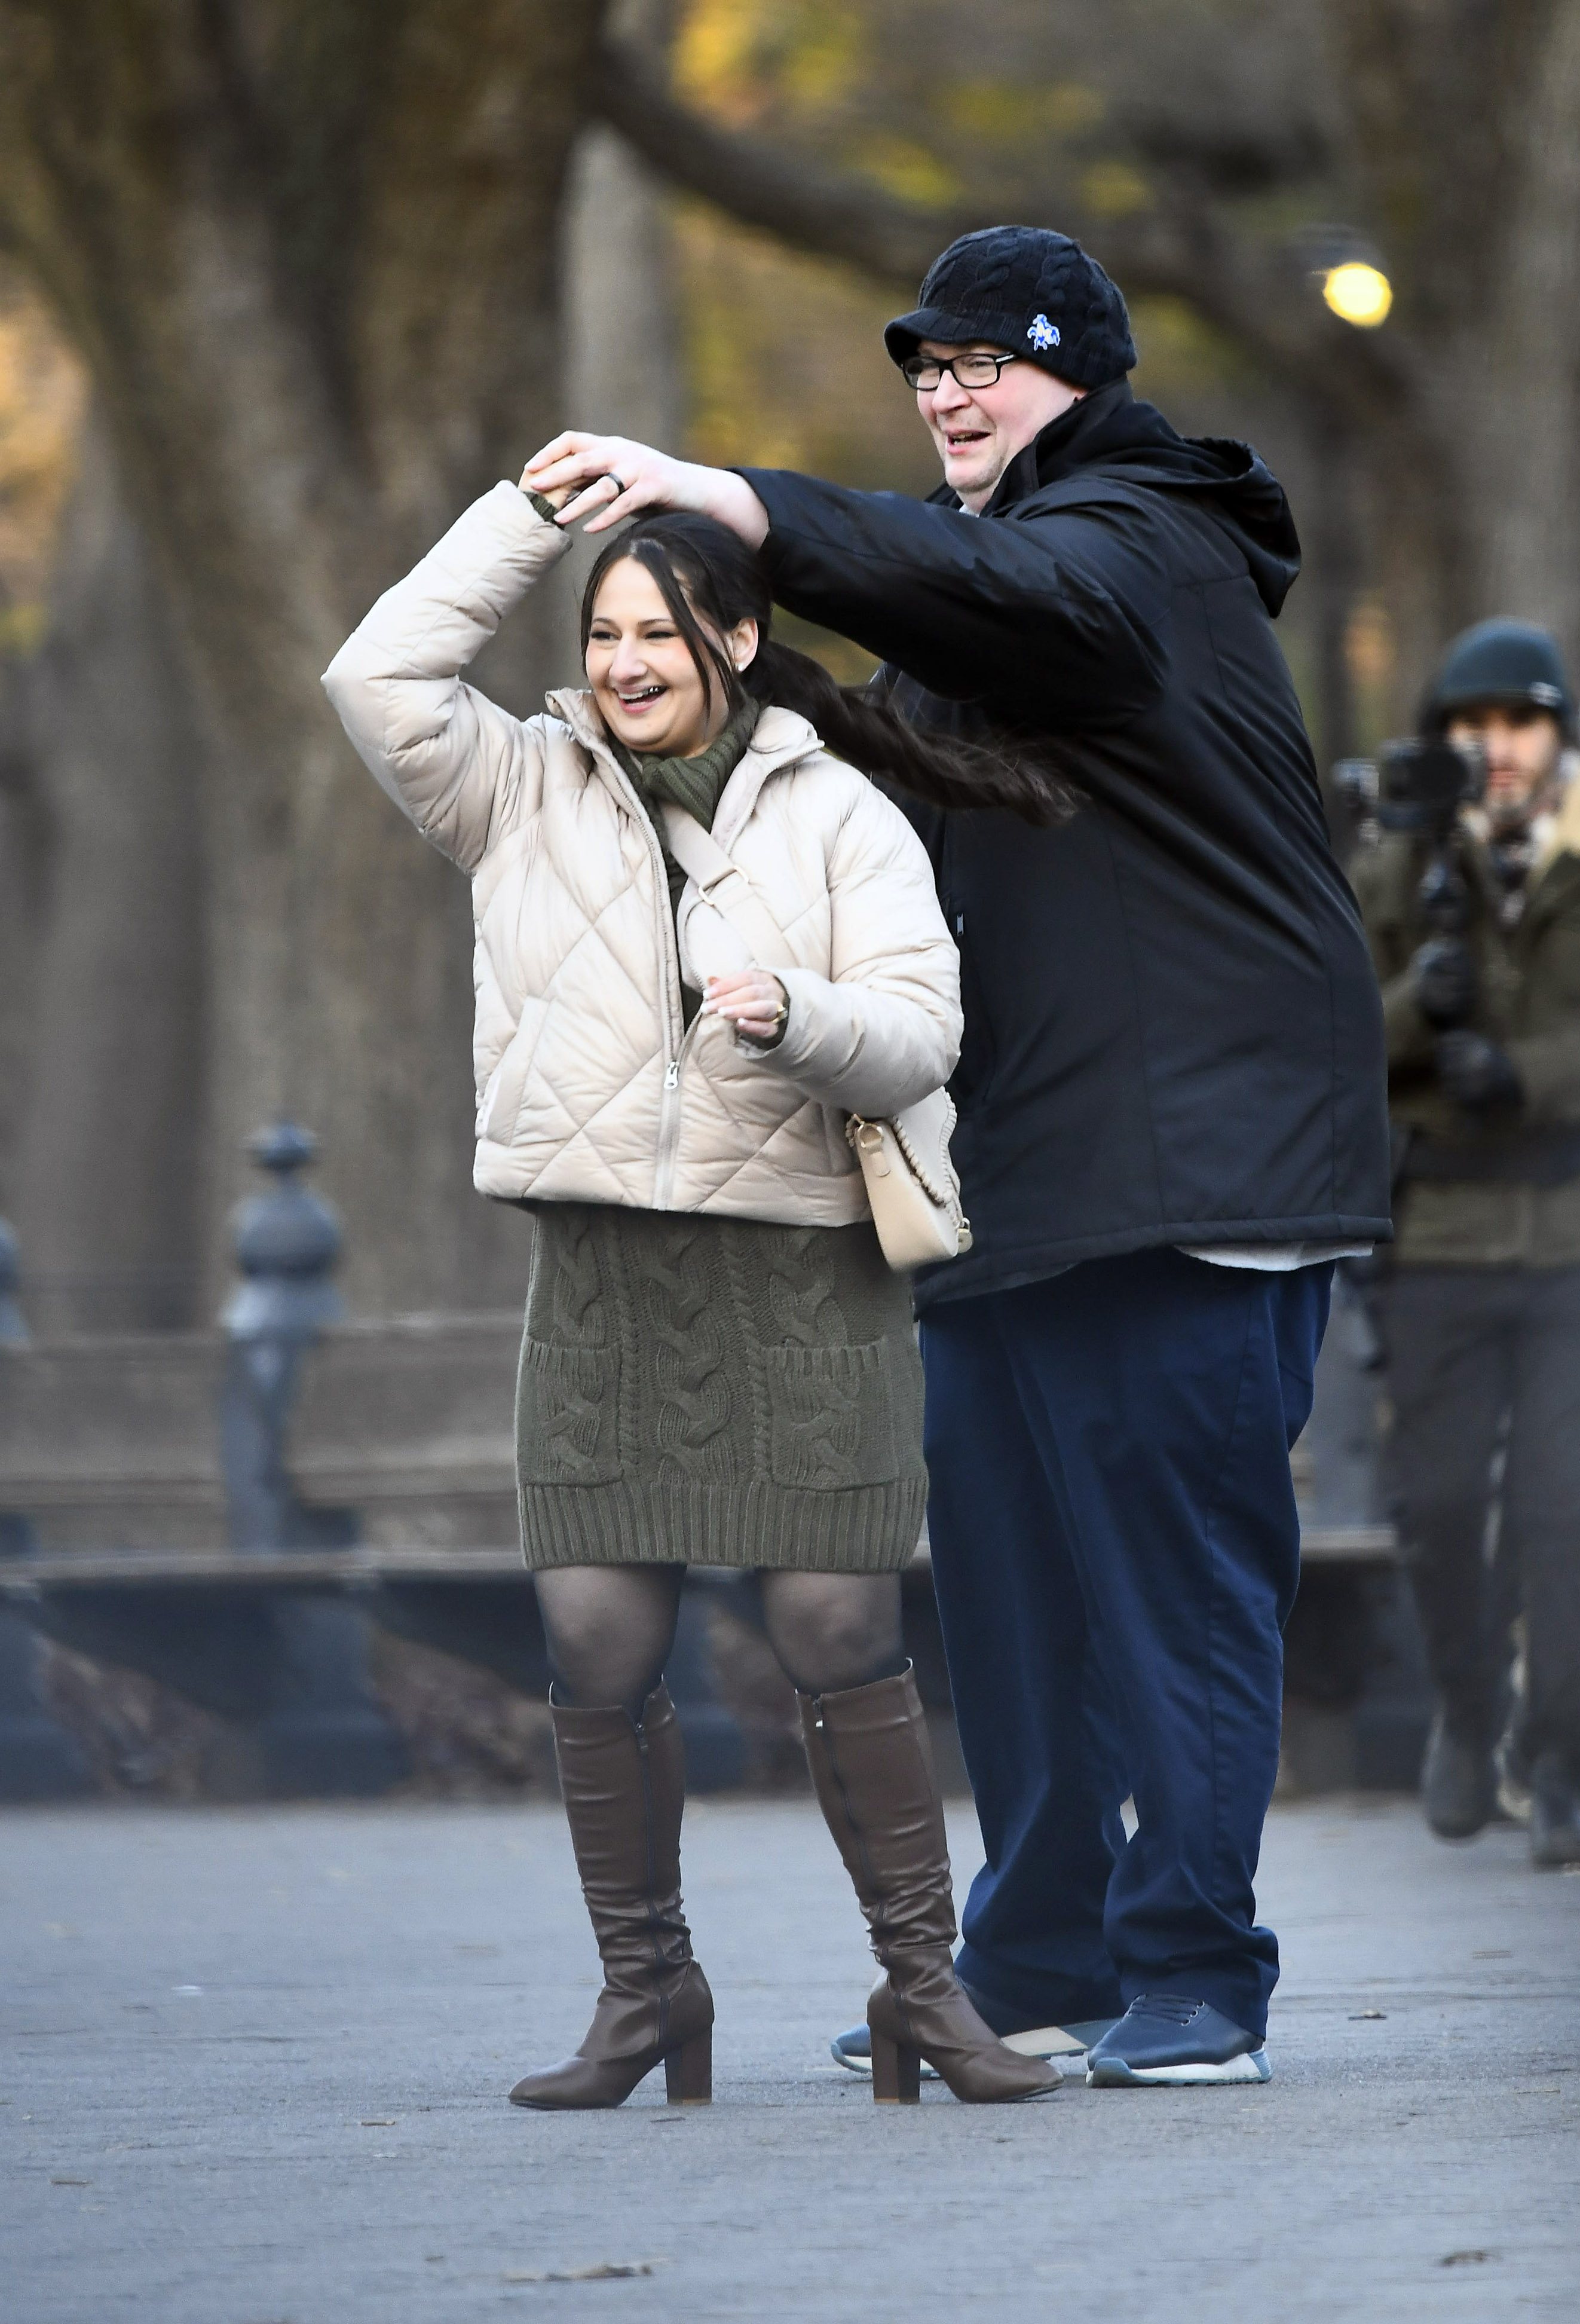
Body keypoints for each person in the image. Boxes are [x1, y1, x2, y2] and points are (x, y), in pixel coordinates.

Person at [520, 224, 1391, 2088]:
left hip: (1196, 1167)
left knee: (1173, 1592)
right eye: (924, 367)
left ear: (1082, 375)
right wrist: (732, 676)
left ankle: (1197, 1973)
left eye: (985, 361)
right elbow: (913, 752)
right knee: (1014, 1602)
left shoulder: (1140, 546)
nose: (945, 390)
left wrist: (737, 499)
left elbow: (1009, 606)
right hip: (1017, 1170)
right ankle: (1042, 1950)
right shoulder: (1005, 601)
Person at [321, 476, 1065, 2107]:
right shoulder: (514, 788)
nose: (624, 662)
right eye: (601, 632)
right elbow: (374, 676)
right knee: (591, 1636)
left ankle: (920, 1996)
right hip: (602, 1276)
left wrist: (793, 1009)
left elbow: (921, 1037)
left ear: (736, 637)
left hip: (805, 1271)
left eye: (658, 630)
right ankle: (646, 1992)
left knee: (831, 1619)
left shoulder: (837, 814)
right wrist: (524, 516)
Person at [1351, 619, 1580, 1867]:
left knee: (1570, 1507)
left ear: (1559, 732)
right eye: (1469, 723)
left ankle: (1559, 1762)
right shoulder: (1397, 861)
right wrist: (1416, 1008)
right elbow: (1326, 1018)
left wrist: (1529, 1075)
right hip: (1440, 1230)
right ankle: (1468, 1706)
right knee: (1440, 1501)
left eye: (1518, 722)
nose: (1495, 747)